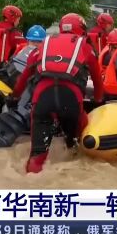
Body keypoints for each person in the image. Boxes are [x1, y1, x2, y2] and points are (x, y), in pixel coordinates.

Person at [13, 13, 104, 173]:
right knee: (74, 147)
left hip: (42, 99)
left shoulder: (44, 44)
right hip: (71, 100)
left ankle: (30, 181)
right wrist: (98, 101)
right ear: (81, 30)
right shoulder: (86, 47)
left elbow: (25, 76)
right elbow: (97, 81)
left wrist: (13, 97)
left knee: (37, 156)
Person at [0, 25, 46, 149]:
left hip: (25, 88)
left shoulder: (32, 52)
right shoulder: (26, 50)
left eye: (38, 42)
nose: (35, 44)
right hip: (19, 86)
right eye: (33, 41)